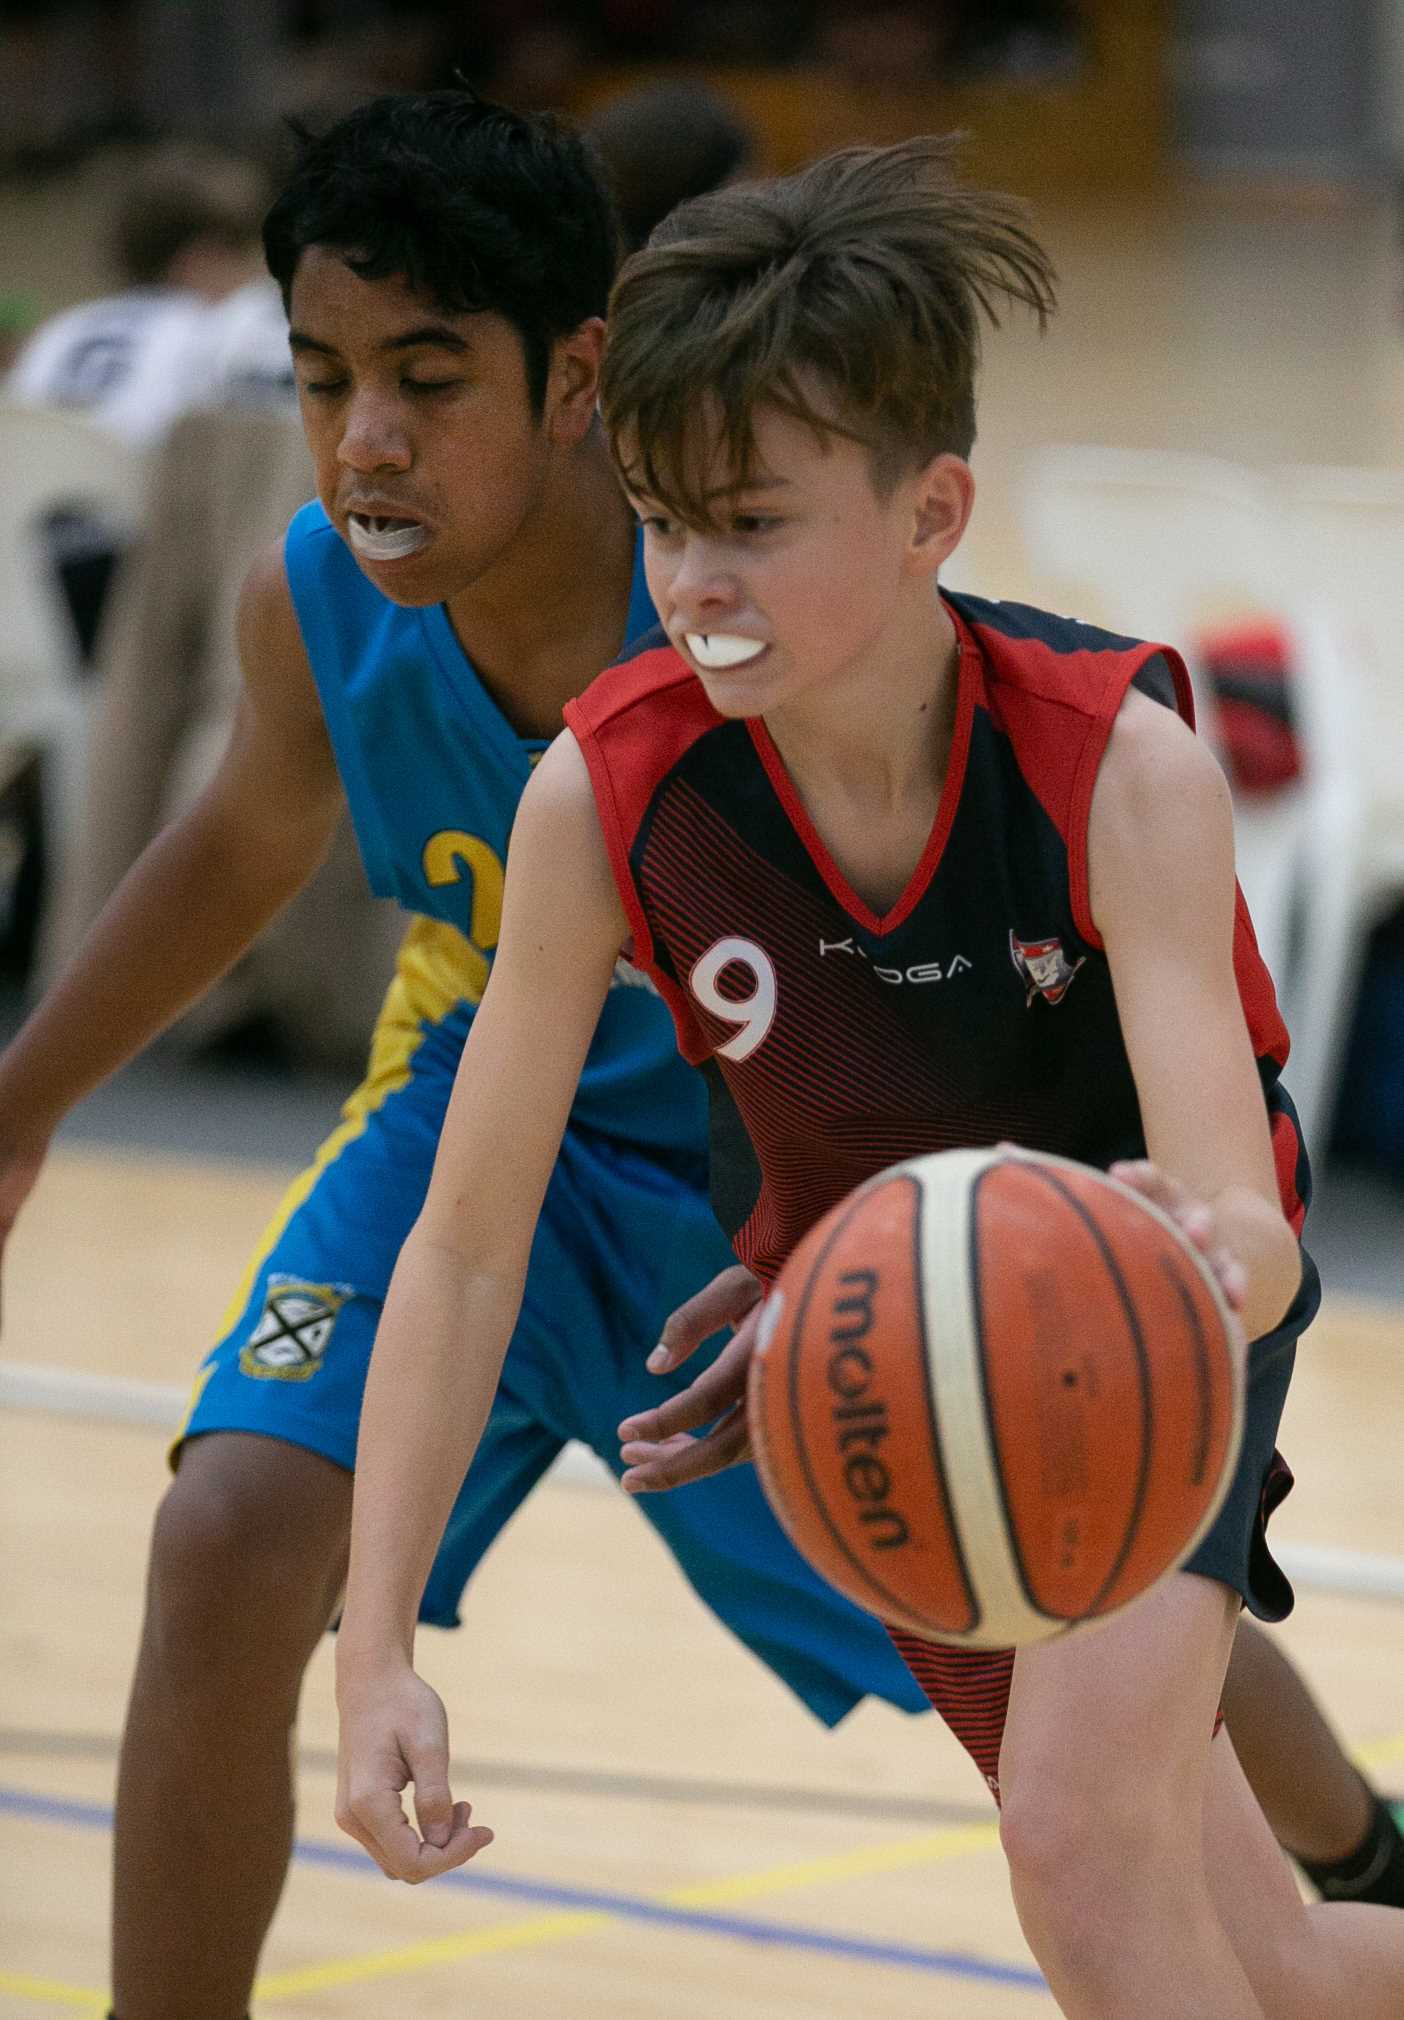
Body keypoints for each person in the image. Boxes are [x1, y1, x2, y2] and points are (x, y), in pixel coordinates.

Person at [333, 136, 1404, 2017]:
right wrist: (376, 1652)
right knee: (1281, 1965)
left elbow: (1250, 1226)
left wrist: (1143, 1256)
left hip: (1155, 1314)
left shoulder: (1112, 766)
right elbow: (466, 1247)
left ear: (931, 515)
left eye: (753, 520)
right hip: (901, 1367)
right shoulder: (613, 790)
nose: (693, 579)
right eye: (665, 522)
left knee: (1076, 1841)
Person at [0, 93, 934, 2020]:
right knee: (227, 1532)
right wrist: (20, 1104)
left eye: (428, 379)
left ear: (580, 376)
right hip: (474, 1147)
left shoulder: (739, 609)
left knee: (1048, 1587)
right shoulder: (320, 592)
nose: (365, 440)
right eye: (325, 376)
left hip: (763, 1180)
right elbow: (245, 842)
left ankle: (1341, 1852)